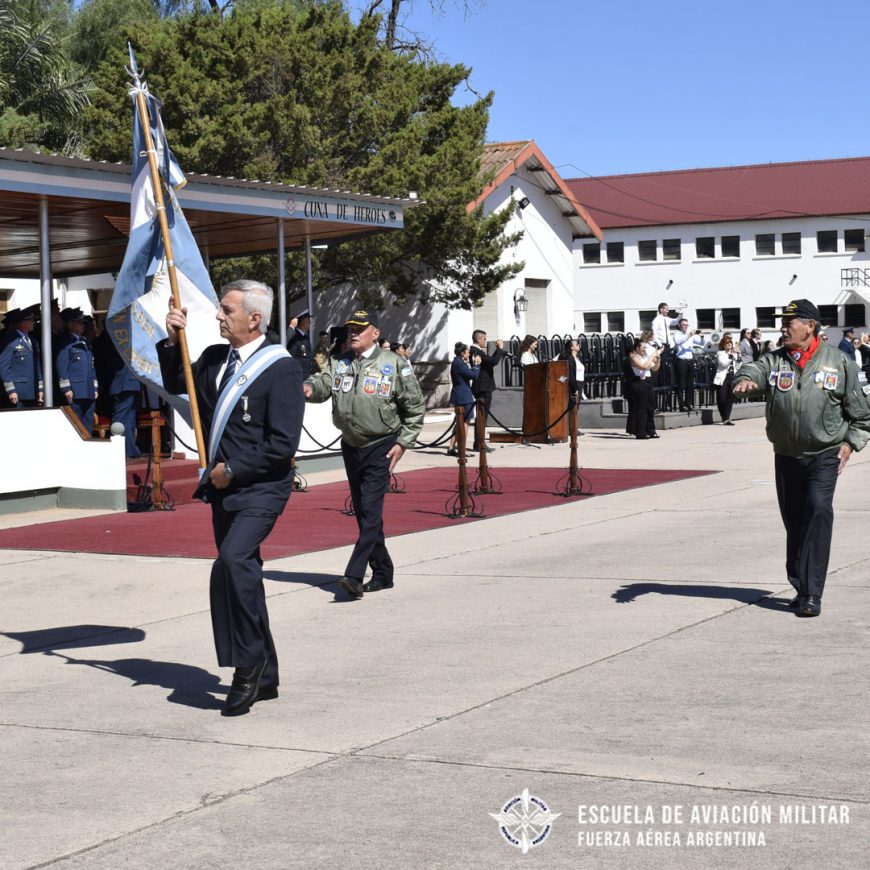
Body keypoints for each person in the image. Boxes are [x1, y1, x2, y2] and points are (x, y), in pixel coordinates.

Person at [159, 279, 305, 716]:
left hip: (261, 487)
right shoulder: (214, 358)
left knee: (232, 562)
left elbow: (282, 444)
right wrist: (172, 339)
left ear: (254, 318)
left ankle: (248, 665)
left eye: (227, 310)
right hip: (222, 490)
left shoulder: (282, 369)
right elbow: (176, 382)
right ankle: (269, 673)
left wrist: (232, 471)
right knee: (245, 576)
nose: (219, 316)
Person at [732, 299, 870, 618]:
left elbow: (861, 416)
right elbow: (753, 368)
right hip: (786, 455)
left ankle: (812, 592)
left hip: (825, 454)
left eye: (790, 321)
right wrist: (744, 380)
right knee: (795, 522)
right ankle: (799, 582)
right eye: (782, 321)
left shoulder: (838, 362)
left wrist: (849, 444)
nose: (783, 326)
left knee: (819, 511)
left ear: (810, 326)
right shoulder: (775, 360)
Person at [303, 308, 425, 600]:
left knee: (370, 513)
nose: (354, 333)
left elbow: (415, 406)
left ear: (375, 332)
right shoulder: (340, 362)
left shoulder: (394, 363)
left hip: (381, 445)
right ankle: (383, 572)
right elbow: (323, 384)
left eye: (360, 328)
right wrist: (307, 387)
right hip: (351, 445)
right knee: (364, 513)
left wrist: (404, 442)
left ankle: (354, 575)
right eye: (351, 328)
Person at [93, 327, 143, 458]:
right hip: (123, 381)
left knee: (129, 418)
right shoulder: (115, 336)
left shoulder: (112, 335)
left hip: (125, 382)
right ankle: (120, 450)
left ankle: (130, 449)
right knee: (121, 418)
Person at [55, 307, 99, 434]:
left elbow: (92, 366)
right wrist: (66, 388)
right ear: (70, 324)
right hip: (75, 389)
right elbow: (61, 366)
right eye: (79, 323)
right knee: (76, 422)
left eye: (83, 323)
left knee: (87, 421)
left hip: (88, 388)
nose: (82, 326)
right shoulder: (65, 342)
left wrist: (95, 387)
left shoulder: (84, 342)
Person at [0, 308, 43, 408]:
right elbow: (3, 367)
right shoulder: (10, 340)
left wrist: (40, 389)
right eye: (31, 320)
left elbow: (37, 367)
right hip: (18, 392)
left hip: (32, 391)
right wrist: (11, 390)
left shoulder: (33, 340)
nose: (34, 322)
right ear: (21, 323)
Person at [470, 330, 505, 452]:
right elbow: (493, 361)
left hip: (484, 386)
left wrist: (497, 351)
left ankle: (479, 442)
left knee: (482, 416)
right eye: (484, 339)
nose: (485, 341)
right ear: (478, 339)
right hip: (482, 387)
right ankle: (480, 443)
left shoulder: (478, 351)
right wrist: (500, 349)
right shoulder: (475, 351)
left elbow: (490, 361)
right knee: (481, 416)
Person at [625, 330, 660, 439]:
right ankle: (640, 431)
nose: (645, 349)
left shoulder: (645, 356)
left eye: (645, 347)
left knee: (650, 407)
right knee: (641, 408)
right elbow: (643, 367)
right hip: (639, 383)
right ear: (637, 348)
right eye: (643, 347)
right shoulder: (634, 356)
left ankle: (650, 430)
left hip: (648, 381)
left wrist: (657, 360)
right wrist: (652, 356)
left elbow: (654, 368)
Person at [446, 342, 480, 456]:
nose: (469, 353)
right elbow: (473, 375)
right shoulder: (459, 364)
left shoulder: (458, 362)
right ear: (462, 353)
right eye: (468, 351)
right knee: (464, 423)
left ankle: (452, 447)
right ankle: (462, 449)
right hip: (463, 396)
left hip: (461, 395)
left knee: (459, 423)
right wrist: (476, 365)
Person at [672, 318, 704, 410]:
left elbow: (701, 343)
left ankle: (688, 403)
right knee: (681, 384)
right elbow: (678, 342)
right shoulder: (677, 334)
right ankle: (681, 405)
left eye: (687, 325)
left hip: (690, 361)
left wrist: (702, 337)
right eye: (684, 325)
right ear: (679, 325)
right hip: (681, 361)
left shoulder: (689, 335)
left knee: (690, 384)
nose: (686, 326)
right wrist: (689, 335)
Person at [712, 333, 741, 425]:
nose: (729, 345)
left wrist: (739, 355)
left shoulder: (734, 354)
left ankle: (726, 418)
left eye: (730, 343)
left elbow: (738, 365)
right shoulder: (720, 353)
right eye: (727, 343)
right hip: (723, 378)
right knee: (722, 399)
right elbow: (723, 364)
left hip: (732, 377)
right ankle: (723, 416)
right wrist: (731, 355)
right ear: (723, 345)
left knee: (730, 398)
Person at [286, 310, 313, 375]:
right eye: (308, 320)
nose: (310, 322)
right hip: (299, 374)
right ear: (303, 322)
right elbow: (291, 357)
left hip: (306, 374)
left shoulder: (305, 337)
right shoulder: (294, 337)